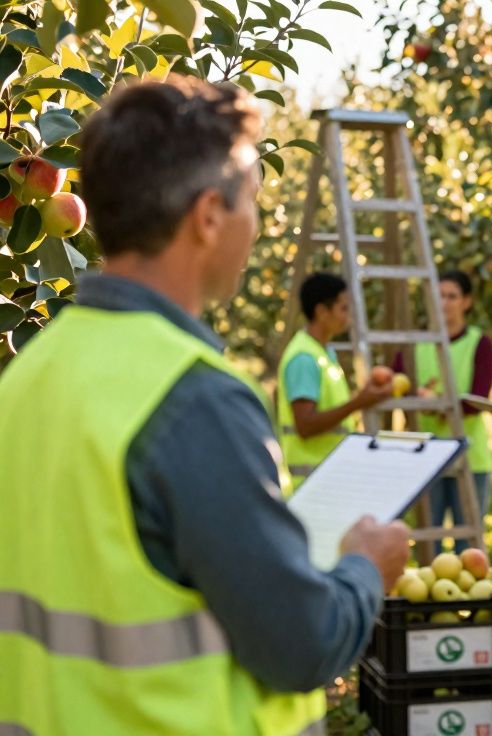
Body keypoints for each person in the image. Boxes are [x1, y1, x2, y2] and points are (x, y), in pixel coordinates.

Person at [0, 77, 410, 734]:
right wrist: (365, 567)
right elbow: (301, 643)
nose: (258, 221)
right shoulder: (195, 400)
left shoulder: (26, 379)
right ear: (208, 217)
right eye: (251, 197)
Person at [277, 272, 392, 491]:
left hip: (329, 479)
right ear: (321, 311)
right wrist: (358, 403)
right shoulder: (304, 359)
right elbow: (305, 425)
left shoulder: (324, 353)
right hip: (311, 484)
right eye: (343, 308)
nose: (348, 316)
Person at [408, 270, 492, 551]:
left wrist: (435, 402)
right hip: (425, 457)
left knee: (467, 547)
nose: (444, 302)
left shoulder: (479, 343)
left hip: (469, 459)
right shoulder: (415, 344)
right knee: (427, 546)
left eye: (452, 296)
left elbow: (477, 400)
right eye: (439, 295)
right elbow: (397, 385)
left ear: (466, 302)